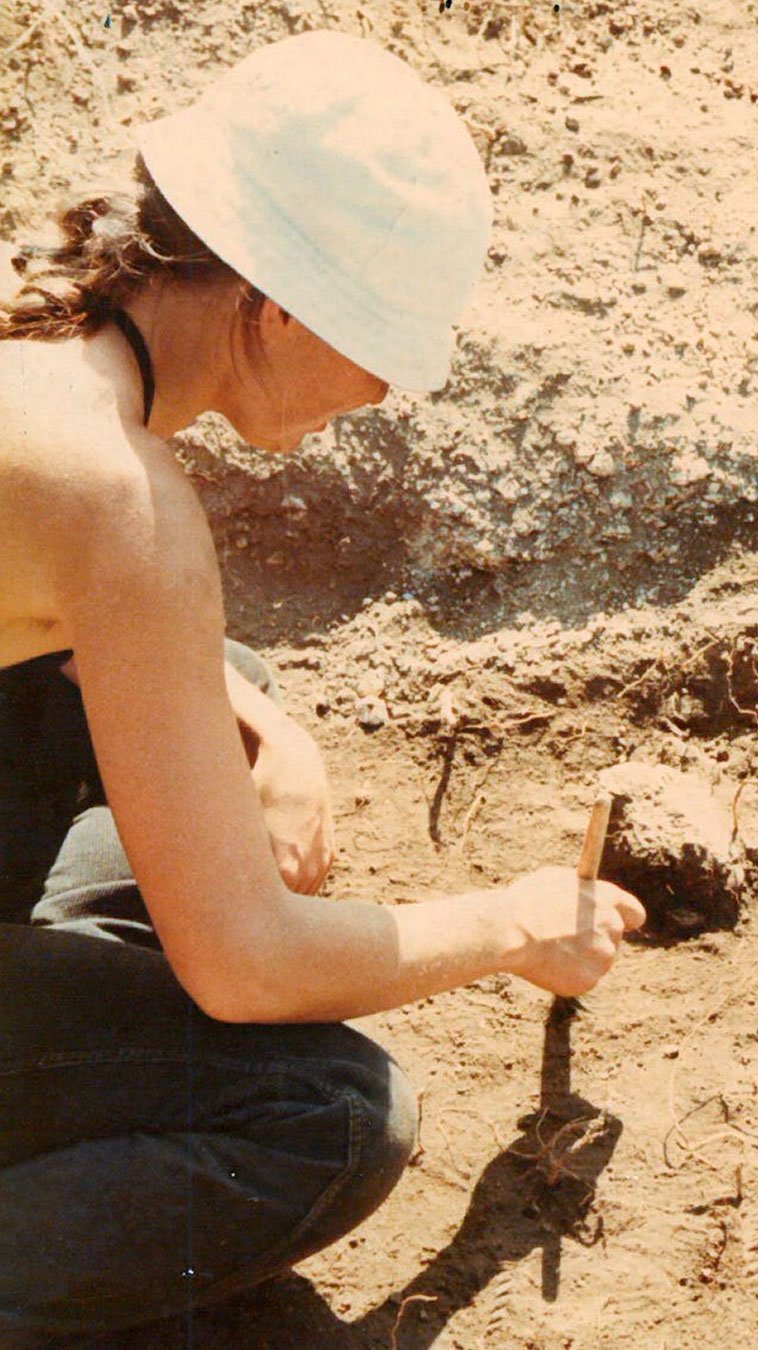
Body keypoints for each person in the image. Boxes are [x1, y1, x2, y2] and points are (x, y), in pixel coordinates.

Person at [0, 29, 646, 1345]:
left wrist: (275, 733)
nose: (391, 387)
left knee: (227, 688)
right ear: (275, 305)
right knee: (336, 1112)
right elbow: (246, 968)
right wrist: (515, 922)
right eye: (382, 343)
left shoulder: (45, 328)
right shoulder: (121, 501)